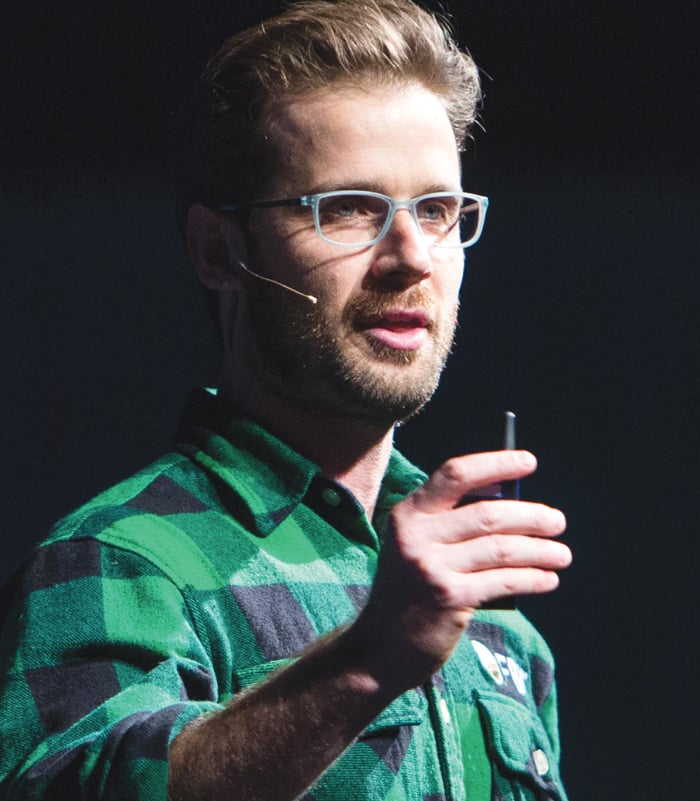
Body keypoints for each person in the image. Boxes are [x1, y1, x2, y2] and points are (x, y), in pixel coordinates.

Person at [0, 1, 572, 799]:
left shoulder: (491, 612)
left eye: (437, 211)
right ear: (217, 250)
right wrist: (368, 659)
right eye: (347, 209)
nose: (412, 257)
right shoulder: (118, 563)